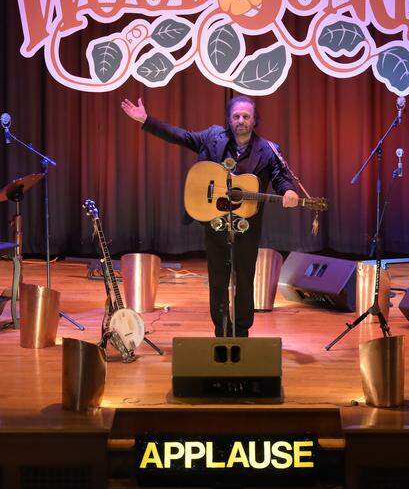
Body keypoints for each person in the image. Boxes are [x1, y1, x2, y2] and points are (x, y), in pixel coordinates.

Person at [121, 95, 298, 337]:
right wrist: (146, 120)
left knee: (245, 279)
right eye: (236, 116)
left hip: (248, 224)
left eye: (246, 116)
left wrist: (288, 191)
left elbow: (280, 176)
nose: (241, 121)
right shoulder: (213, 137)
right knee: (218, 279)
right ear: (229, 119)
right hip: (216, 222)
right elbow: (181, 136)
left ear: (255, 120)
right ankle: (220, 328)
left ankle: (243, 330)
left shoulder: (268, 149)